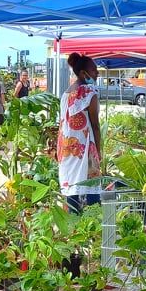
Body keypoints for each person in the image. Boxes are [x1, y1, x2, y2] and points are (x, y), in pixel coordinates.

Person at [57, 52, 101, 214]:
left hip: (66, 147)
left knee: (71, 186)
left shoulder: (66, 93)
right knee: (92, 187)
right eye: (94, 70)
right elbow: (95, 126)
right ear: (84, 73)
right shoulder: (89, 93)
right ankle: (95, 226)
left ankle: (73, 226)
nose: (97, 73)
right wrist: (99, 151)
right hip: (84, 146)